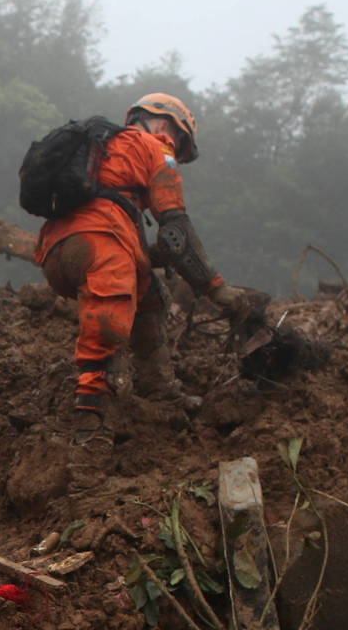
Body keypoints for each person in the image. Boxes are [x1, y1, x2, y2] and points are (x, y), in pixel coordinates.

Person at [31, 93, 268, 424]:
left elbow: (133, 236)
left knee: (150, 296)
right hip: (101, 248)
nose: (175, 149)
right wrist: (216, 289)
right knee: (108, 328)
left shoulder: (105, 150)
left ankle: (159, 390)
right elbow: (175, 232)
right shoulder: (155, 148)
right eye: (179, 141)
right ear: (164, 123)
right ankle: (91, 422)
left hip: (54, 254)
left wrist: (161, 258)